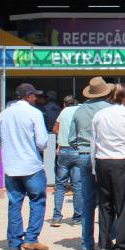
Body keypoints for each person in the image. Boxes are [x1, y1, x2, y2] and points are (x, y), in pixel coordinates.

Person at [0, 83, 50, 250]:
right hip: (31, 165)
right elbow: (42, 142)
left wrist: (11, 145)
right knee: (37, 200)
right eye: (35, 96)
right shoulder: (34, 113)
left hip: (11, 166)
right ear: (29, 96)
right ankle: (31, 239)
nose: (36, 98)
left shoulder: (4, 114)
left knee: (14, 203)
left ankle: (14, 243)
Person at [90, 83, 125, 250]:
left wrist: (94, 167)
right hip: (122, 161)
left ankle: (104, 246)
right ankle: (121, 248)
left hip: (102, 161)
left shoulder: (99, 115)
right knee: (122, 206)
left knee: (104, 205)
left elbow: (93, 142)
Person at [68, 76, 114, 250]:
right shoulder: (110, 109)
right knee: (107, 199)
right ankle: (107, 238)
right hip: (104, 155)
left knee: (87, 201)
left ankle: (87, 243)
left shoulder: (79, 111)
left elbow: (71, 138)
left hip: (84, 154)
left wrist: (81, 146)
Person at [51, 95, 82, 227]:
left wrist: (61, 137)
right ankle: (77, 217)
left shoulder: (62, 112)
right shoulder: (81, 111)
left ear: (64, 104)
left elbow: (54, 129)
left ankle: (57, 216)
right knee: (78, 185)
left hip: (63, 149)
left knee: (60, 185)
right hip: (77, 149)